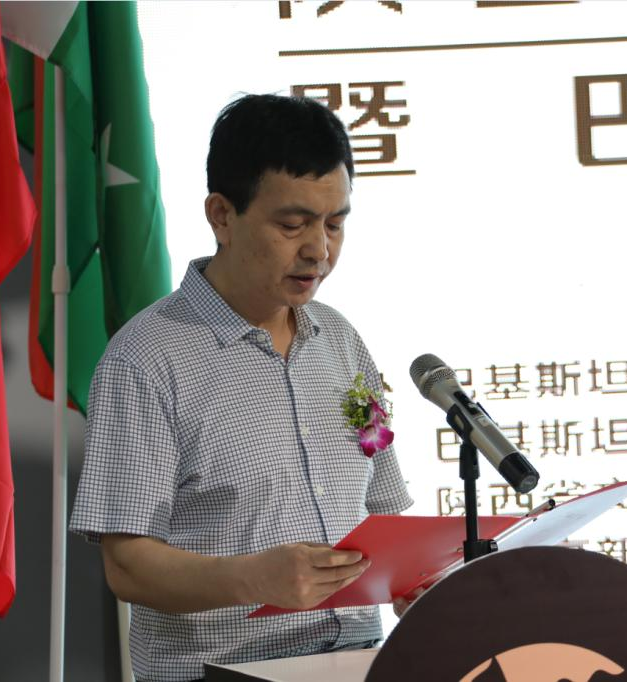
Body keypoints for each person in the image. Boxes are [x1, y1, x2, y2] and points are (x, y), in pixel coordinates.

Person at [69, 94, 413, 682]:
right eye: (292, 225)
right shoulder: (145, 359)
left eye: (335, 224)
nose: (319, 250)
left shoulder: (339, 340)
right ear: (222, 215)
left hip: (362, 662)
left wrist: (414, 577)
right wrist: (252, 578)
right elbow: (126, 566)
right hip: (221, 671)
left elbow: (382, 504)